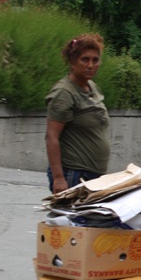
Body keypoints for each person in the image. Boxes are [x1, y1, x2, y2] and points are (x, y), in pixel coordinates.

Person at [45, 33, 110, 194]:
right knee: (72, 219)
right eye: (85, 59)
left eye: (95, 60)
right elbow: (51, 137)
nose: (90, 65)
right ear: (73, 62)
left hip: (93, 174)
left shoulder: (91, 86)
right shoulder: (64, 92)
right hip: (73, 174)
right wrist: (59, 177)